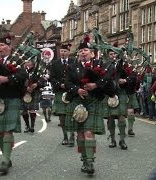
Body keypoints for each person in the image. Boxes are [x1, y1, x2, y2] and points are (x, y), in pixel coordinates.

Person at [64, 35, 114, 175]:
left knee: (88, 132)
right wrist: (76, 89)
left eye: (86, 50)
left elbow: (108, 78)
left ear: (92, 53)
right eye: (81, 51)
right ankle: (84, 159)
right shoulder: (72, 67)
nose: (83, 52)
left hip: (93, 101)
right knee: (80, 134)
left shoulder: (100, 65)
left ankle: (90, 162)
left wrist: (96, 85)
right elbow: (67, 83)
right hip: (77, 101)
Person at [0, 34, 27, 174]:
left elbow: (23, 75)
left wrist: (7, 79)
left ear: (9, 47)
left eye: (2, 45)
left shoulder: (17, 60)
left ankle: (5, 160)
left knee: (7, 130)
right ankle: (6, 158)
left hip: (11, 97)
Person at [50, 43, 75, 146]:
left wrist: (69, 85)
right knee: (62, 116)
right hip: (60, 91)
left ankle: (72, 136)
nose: (63, 53)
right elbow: (52, 77)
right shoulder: (55, 63)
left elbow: (77, 76)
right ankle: (65, 136)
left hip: (71, 92)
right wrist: (60, 84)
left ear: (68, 52)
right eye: (61, 51)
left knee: (72, 115)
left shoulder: (73, 62)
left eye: (65, 51)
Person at [103, 47, 128, 149]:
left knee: (121, 116)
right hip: (109, 94)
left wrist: (125, 80)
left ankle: (122, 140)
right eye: (111, 54)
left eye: (114, 54)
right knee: (110, 118)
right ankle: (113, 139)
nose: (113, 56)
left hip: (120, 92)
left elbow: (132, 76)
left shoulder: (122, 64)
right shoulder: (104, 66)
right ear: (108, 56)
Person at [21, 60, 41, 133]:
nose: (27, 63)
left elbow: (43, 80)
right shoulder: (22, 70)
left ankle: (32, 126)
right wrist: (25, 88)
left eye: (29, 61)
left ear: (32, 63)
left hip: (34, 92)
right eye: (26, 61)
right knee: (24, 111)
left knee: (32, 109)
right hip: (23, 92)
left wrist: (37, 84)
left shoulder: (37, 71)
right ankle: (27, 126)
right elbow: (18, 81)